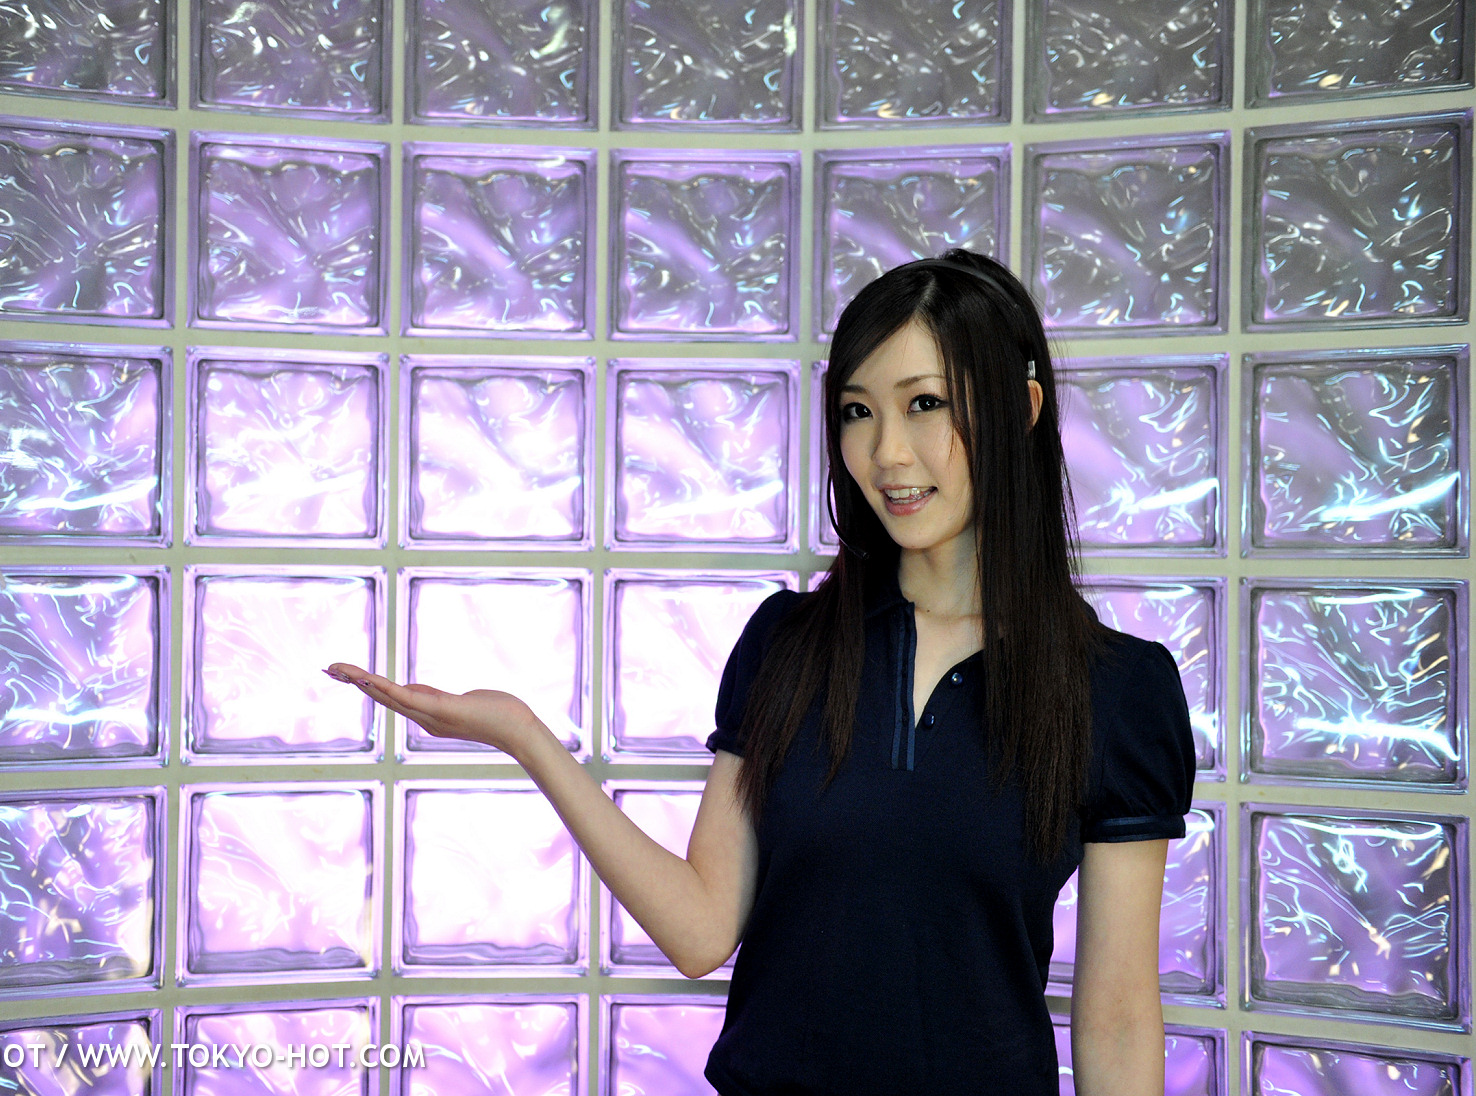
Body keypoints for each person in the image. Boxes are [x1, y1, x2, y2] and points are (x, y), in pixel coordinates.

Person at [325, 249, 1196, 1096]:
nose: (887, 454)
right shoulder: (788, 645)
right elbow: (701, 929)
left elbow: (1119, 1017)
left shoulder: (1117, 690)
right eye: (857, 412)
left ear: (1022, 405)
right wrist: (525, 737)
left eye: (924, 404)